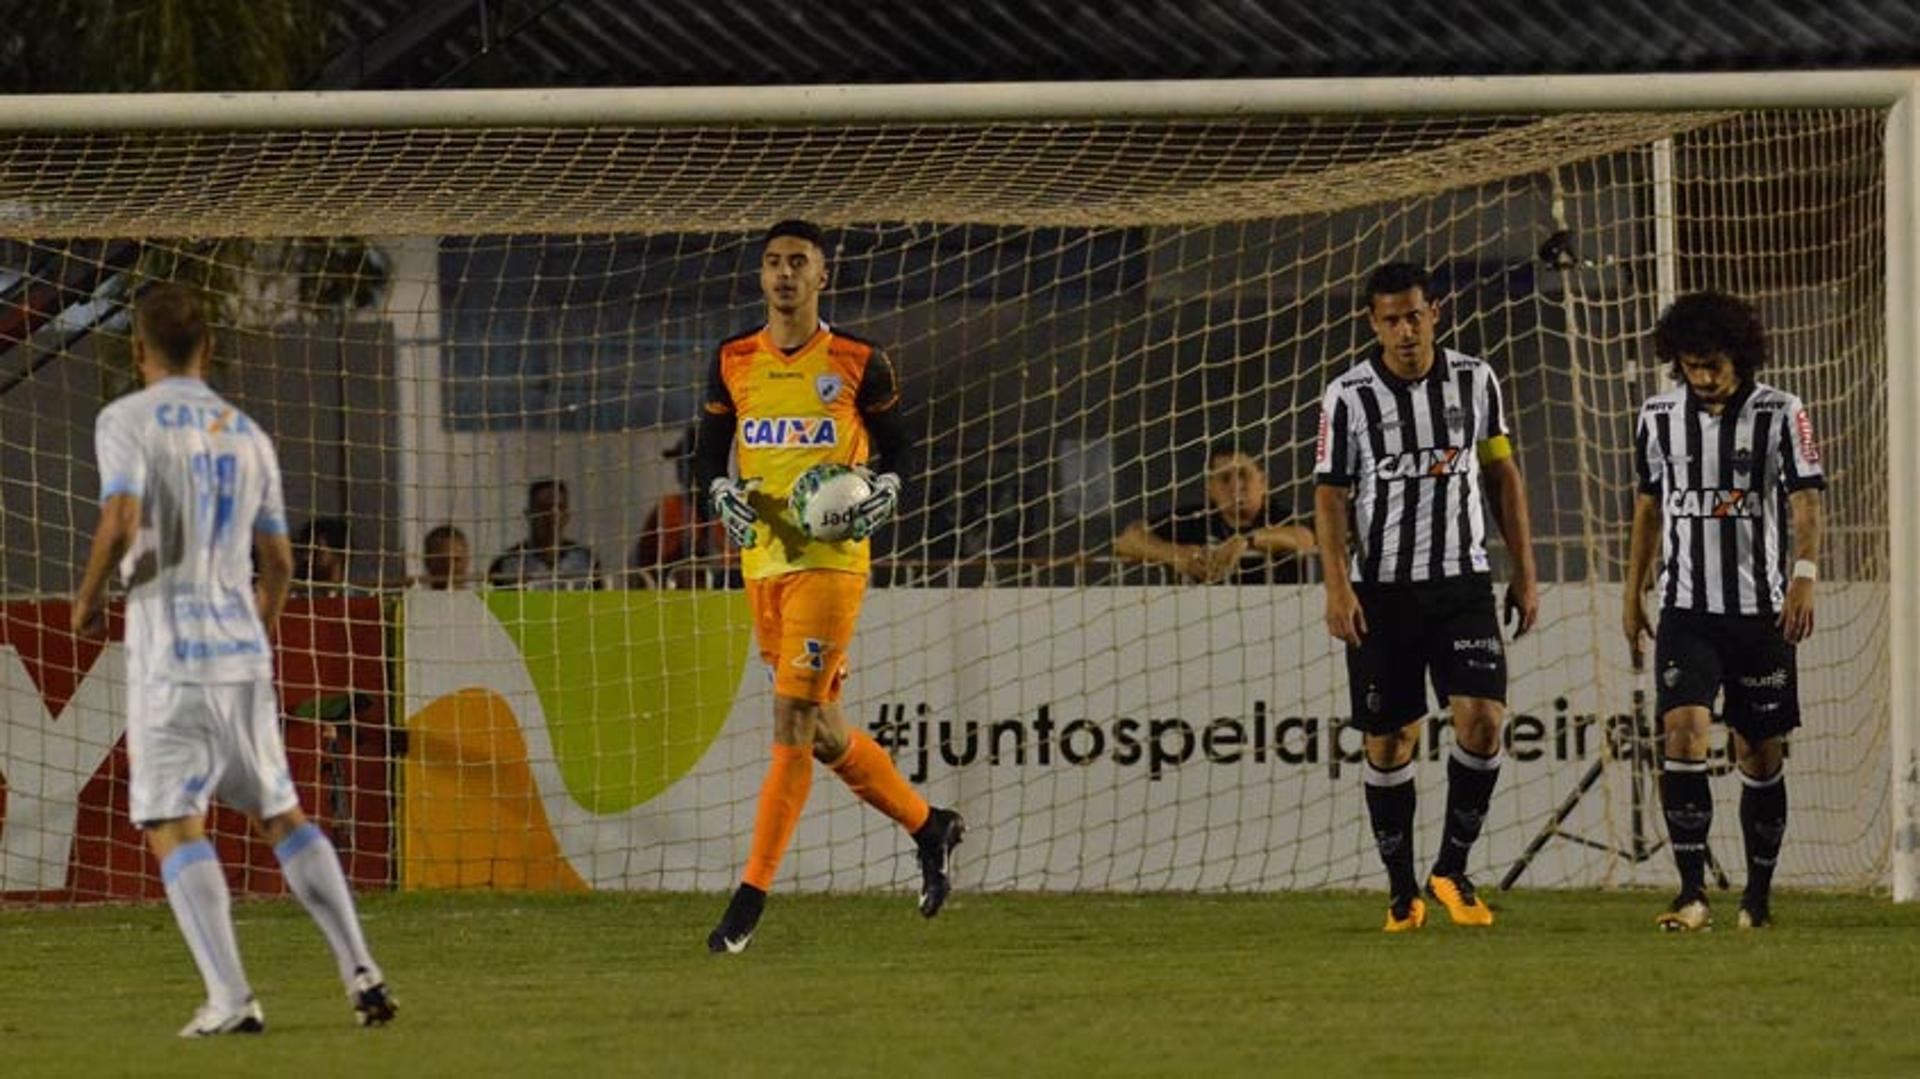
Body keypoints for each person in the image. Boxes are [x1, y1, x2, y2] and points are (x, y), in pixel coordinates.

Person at [69, 284, 394, 1036]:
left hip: (169, 646)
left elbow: (121, 516)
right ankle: (361, 966)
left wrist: (85, 601)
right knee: (281, 811)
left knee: (173, 820)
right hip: (242, 645)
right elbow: (278, 560)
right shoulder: (247, 431)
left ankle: (231, 996)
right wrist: (260, 630)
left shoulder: (125, 419)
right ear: (207, 350)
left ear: (138, 350)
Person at [697, 219, 964, 953]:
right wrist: (718, 493)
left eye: (799, 263)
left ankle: (748, 898)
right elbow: (706, 454)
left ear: (823, 277)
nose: (784, 274)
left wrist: (885, 487)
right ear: (761, 277)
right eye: (774, 263)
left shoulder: (856, 359)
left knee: (789, 725)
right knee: (822, 732)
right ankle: (929, 823)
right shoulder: (732, 359)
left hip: (833, 561)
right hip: (763, 564)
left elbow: (901, 444)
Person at [1312, 262, 1539, 932]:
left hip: (1462, 582)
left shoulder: (1477, 379)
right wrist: (1336, 584)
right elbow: (1329, 493)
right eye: (1390, 319)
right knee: (1389, 740)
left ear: (1435, 312)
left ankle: (1452, 868)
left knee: (1484, 720)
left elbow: (1502, 472)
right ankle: (1401, 889)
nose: (1405, 330)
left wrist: (1525, 570)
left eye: (1414, 315)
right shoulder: (1348, 396)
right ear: (1372, 322)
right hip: (1381, 591)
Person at [1623, 291, 1824, 932]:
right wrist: (1632, 593)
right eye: (1690, 365)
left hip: (1760, 614)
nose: (1703, 377)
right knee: (1680, 732)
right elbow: (1649, 508)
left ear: (1739, 355)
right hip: (1687, 610)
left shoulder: (1782, 413)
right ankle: (1690, 895)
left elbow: (1806, 504)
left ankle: (1757, 899)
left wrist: (1804, 578)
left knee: (1758, 754)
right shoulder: (1657, 417)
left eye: (1713, 364)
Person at [1113, 439, 1316, 583]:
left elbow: (1305, 538)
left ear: (1263, 482)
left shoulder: (1280, 516)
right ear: (1210, 488)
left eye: (1244, 475)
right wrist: (1175, 554)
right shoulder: (1196, 519)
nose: (1236, 486)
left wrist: (1247, 542)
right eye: (1225, 478)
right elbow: (1127, 540)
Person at [630, 426, 727, 587]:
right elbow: (648, 562)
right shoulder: (670, 510)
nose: (682, 470)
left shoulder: (728, 509)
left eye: (689, 464)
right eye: (680, 464)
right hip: (676, 594)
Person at [486, 478, 604, 590]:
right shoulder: (507, 565)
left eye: (559, 507)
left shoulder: (585, 561)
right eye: (543, 508)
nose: (552, 515)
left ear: (567, 515)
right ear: (528, 514)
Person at [291, 516, 349, 595]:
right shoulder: (298, 593)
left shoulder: (359, 595)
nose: (306, 557)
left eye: (316, 551)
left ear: (338, 553)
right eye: (305, 551)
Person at [421, 523, 471, 590]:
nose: (450, 565)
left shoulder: (484, 598)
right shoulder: (415, 599)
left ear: (467, 560)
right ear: (427, 562)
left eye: (457, 559)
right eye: (442, 560)